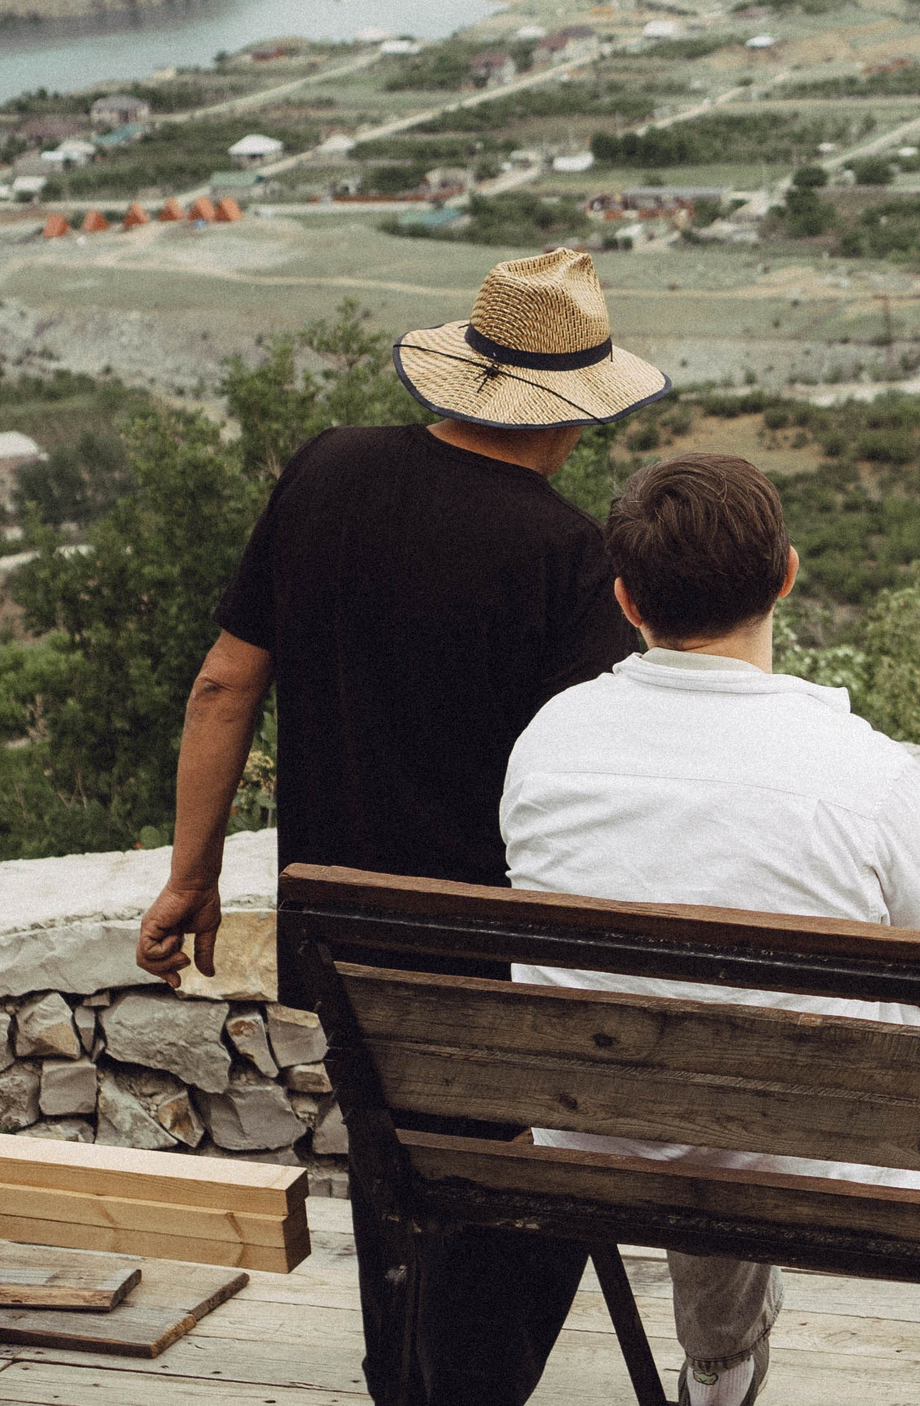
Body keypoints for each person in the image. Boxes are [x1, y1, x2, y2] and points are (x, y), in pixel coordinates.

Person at [134, 246, 672, 1406]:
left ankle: (407, 1380)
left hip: (341, 933)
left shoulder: (325, 472)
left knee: (397, 1173)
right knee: (536, 1182)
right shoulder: (566, 557)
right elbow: (606, 775)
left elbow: (225, 684)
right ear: (573, 411)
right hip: (490, 953)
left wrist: (192, 876)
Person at [499, 452, 920, 1406]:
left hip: (598, 1136)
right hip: (800, 1139)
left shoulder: (549, 740)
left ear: (627, 600)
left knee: (698, 1077)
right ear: (788, 573)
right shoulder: (856, 769)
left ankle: (717, 1369)